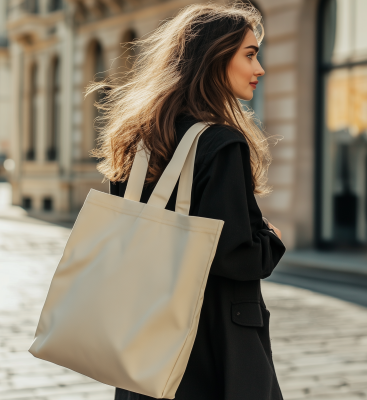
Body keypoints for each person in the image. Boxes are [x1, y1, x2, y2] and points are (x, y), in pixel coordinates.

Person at [86, 3, 286, 399]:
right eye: (249, 54)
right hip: (212, 344)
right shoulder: (221, 143)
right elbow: (231, 256)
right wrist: (271, 239)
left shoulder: (139, 138)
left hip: (143, 340)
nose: (259, 68)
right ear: (214, 58)